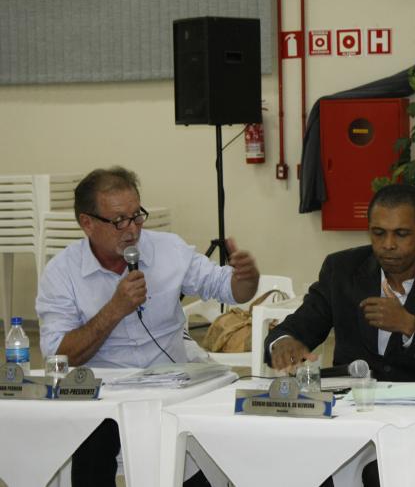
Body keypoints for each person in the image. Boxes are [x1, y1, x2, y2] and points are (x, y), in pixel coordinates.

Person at [36, 166, 260, 487]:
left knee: (217, 430)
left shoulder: (169, 249)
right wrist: (114, 310)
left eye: (137, 216)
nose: (132, 230)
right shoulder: (61, 273)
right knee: (91, 445)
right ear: (87, 223)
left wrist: (246, 279)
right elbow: (58, 356)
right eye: (118, 221)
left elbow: (228, 288)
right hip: (103, 395)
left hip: (173, 387)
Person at [265, 183, 415, 485]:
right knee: (288, 459)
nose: (388, 245)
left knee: (381, 473)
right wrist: (284, 342)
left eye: (401, 234)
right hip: (350, 414)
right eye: (378, 233)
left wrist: (411, 326)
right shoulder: (342, 269)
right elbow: (300, 325)